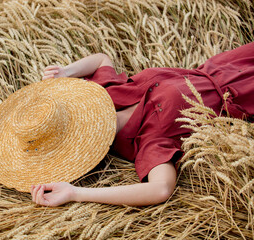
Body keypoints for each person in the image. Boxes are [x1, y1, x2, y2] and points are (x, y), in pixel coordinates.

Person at [30, 42, 254, 207]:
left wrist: (65, 72)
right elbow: (160, 189)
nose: (86, 117)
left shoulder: (106, 93)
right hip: (246, 94)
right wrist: (75, 193)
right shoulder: (146, 142)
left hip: (231, 62)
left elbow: (101, 58)